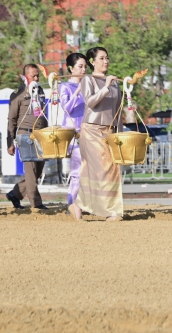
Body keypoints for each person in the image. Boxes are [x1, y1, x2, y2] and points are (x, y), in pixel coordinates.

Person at [69, 47, 123, 222]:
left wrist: (119, 133)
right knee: (99, 169)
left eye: (107, 58)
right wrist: (105, 86)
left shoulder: (114, 82)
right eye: (101, 58)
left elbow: (118, 109)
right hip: (92, 129)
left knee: (112, 169)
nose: (106, 61)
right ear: (92, 62)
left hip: (109, 130)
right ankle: (108, 210)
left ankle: (82, 205)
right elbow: (90, 102)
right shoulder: (88, 80)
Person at [5, 64, 48, 210]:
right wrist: (10, 142)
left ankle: (15, 194)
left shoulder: (40, 91)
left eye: (37, 76)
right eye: (32, 76)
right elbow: (11, 119)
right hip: (25, 135)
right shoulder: (18, 94)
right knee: (31, 172)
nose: (36, 78)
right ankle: (36, 204)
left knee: (37, 172)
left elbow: (43, 114)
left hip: (40, 135)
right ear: (25, 76)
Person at [59, 52, 87, 206]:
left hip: (87, 131)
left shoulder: (88, 86)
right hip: (73, 133)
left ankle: (83, 204)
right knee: (78, 171)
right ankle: (72, 204)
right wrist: (77, 92)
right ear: (71, 68)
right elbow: (67, 108)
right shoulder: (64, 86)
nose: (84, 70)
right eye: (80, 66)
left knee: (89, 170)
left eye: (85, 67)